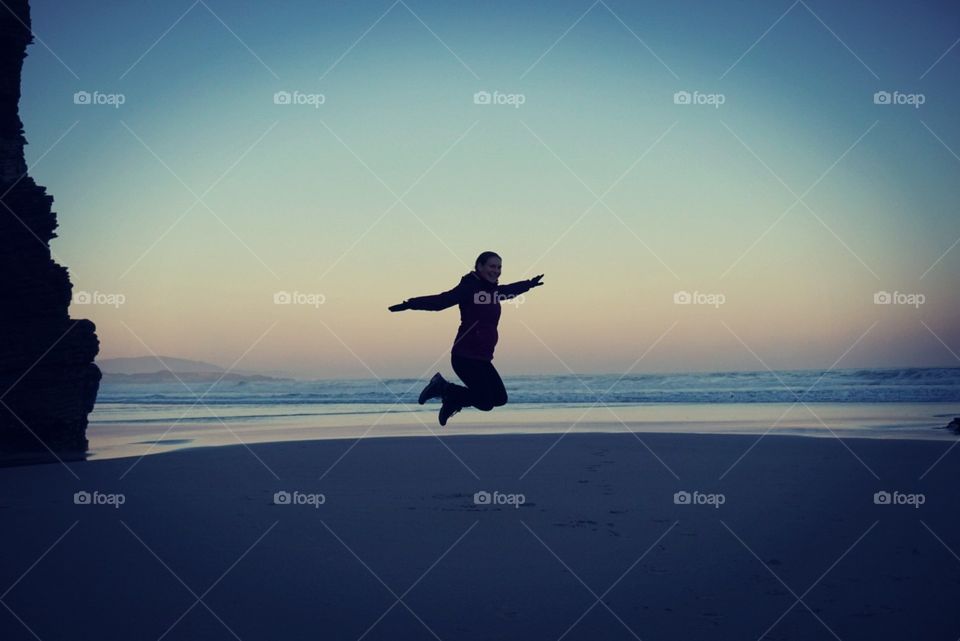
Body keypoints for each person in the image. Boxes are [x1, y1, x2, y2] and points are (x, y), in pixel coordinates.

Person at [388, 251, 544, 426]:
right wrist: (411, 304)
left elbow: (507, 290)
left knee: (499, 398)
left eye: (499, 267)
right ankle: (443, 388)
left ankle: (452, 399)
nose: (496, 271)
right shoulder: (469, 288)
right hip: (465, 356)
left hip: (482, 358)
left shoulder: (491, 292)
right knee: (485, 402)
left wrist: (528, 284)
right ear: (479, 266)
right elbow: (442, 301)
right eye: (492, 266)